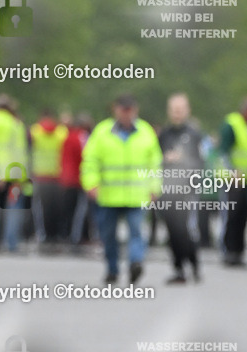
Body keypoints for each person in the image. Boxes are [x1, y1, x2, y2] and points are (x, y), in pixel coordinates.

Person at [81, 94, 162, 283]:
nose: (126, 114)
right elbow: (90, 161)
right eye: (122, 110)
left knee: (136, 232)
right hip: (109, 195)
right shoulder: (102, 132)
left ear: (135, 110)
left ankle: (135, 262)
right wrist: (91, 183)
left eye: (129, 110)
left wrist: (154, 187)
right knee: (108, 236)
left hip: (137, 195)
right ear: (115, 110)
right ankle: (112, 269)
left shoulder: (145, 132)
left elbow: (154, 163)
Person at [157, 93, 205, 284]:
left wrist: (184, 162)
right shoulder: (164, 134)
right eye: (174, 109)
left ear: (187, 111)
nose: (177, 113)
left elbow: (200, 163)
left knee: (184, 229)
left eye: (180, 109)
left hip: (186, 190)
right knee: (171, 231)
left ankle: (193, 263)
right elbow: (155, 159)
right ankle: (178, 268)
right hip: (167, 190)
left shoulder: (194, 135)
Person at [219, 96, 247, 267]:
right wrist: (232, 172)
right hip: (232, 180)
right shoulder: (231, 124)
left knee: (244, 217)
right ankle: (228, 250)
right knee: (232, 216)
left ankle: (239, 252)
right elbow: (223, 152)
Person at [0, 94, 28, 253]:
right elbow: (20, 151)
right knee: (13, 207)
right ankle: (11, 242)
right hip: (11, 171)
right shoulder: (15, 123)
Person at [29, 108, 68, 249]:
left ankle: (44, 235)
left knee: (42, 208)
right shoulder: (61, 132)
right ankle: (56, 235)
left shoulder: (35, 131)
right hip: (57, 175)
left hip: (40, 175)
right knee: (56, 208)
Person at [59, 113, 93, 251]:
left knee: (69, 210)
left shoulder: (67, 136)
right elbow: (85, 157)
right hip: (78, 179)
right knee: (80, 211)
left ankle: (66, 236)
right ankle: (75, 238)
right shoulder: (82, 137)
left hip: (66, 178)